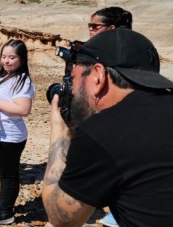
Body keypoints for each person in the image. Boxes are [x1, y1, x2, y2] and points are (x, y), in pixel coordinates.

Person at [42, 28, 173, 226]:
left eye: (75, 78)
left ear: (98, 75)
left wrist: (59, 129)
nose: (74, 90)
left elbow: (61, 218)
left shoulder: (102, 132)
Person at [0, 40, 35, 225]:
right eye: (4, 56)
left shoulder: (22, 80)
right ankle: (3, 202)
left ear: (22, 59)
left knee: (10, 175)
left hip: (10, 137)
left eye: (12, 57)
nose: (7, 61)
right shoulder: (5, 76)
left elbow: (23, 109)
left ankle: (6, 213)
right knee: (4, 172)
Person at [89, 6, 133, 227]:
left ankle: (120, 210)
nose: (90, 31)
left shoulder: (125, 56)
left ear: (112, 28)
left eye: (95, 27)